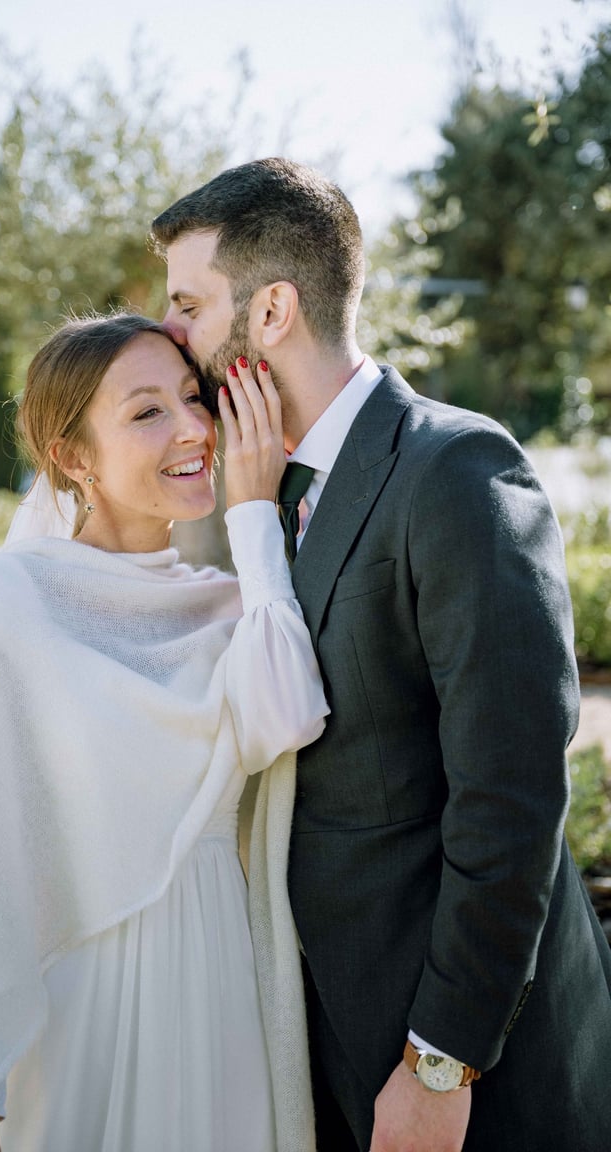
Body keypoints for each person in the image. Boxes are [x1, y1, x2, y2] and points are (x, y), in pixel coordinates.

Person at [150, 158, 611, 1152]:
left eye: (188, 305)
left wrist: (442, 1060)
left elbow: (512, 794)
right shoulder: (257, 489)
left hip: (467, 1071)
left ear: (272, 311)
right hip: (321, 1047)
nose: (168, 332)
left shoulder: (456, 470)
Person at [0, 313, 329, 1152]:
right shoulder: (2, 607)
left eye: (192, 398)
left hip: (215, 1013)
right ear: (73, 457)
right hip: (75, 1020)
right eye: (146, 412)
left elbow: (287, 714)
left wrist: (254, 516)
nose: (192, 429)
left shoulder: (233, 606)